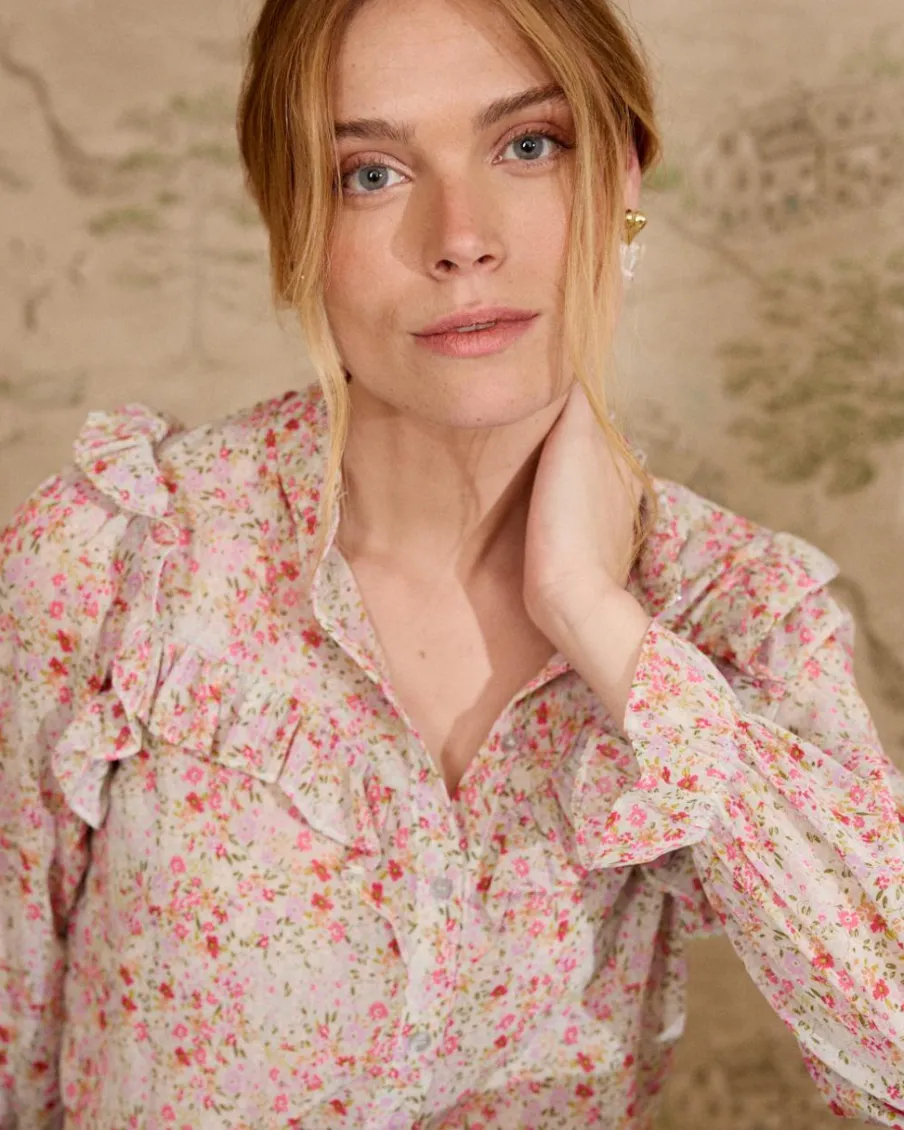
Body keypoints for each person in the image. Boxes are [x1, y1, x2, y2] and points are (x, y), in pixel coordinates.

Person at [1, 0, 903, 1125]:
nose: (461, 238)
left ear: (622, 176)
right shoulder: (123, 561)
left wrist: (593, 614)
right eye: (371, 174)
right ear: (292, 219)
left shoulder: (732, 612)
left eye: (528, 146)